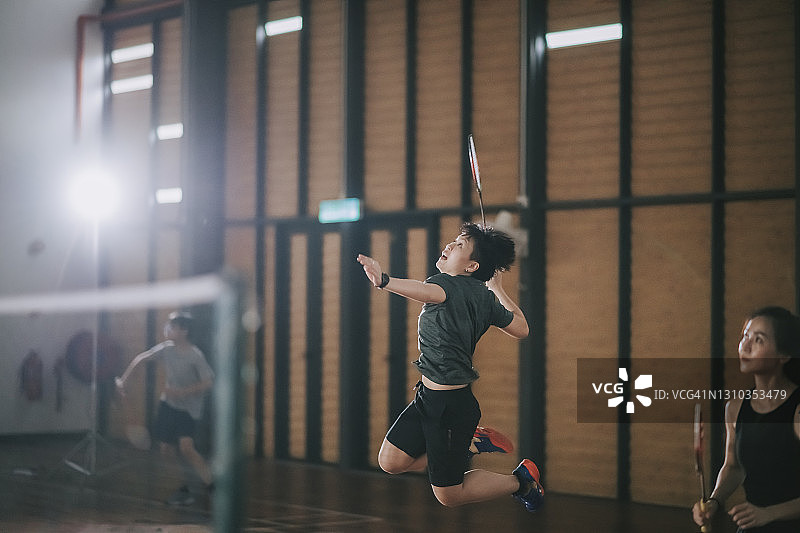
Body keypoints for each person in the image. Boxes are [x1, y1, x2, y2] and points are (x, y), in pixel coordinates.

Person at [357, 222, 543, 512]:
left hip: (451, 409)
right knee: (391, 462)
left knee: (449, 495)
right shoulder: (485, 298)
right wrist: (498, 289)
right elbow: (521, 327)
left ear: (472, 266)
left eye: (460, 245)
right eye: (455, 241)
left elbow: (424, 291)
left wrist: (384, 280)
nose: (449, 245)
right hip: (427, 398)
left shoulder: (445, 286)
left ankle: (520, 481)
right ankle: (470, 444)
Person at [692, 306, 800, 532]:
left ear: (784, 355)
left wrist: (770, 513)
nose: (745, 345)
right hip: (753, 526)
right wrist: (714, 501)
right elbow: (733, 467)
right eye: (745, 336)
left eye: (758, 340)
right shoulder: (735, 408)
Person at [115, 311, 215, 506]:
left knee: (186, 448)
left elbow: (208, 382)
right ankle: (186, 487)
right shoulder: (166, 349)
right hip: (168, 405)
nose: (168, 330)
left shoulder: (195, 356)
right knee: (166, 450)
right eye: (168, 326)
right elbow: (142, 358)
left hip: (189, 409)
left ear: (184, 331)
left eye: (173, 327)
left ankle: (213, 486)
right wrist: (124, 380)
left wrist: (183, 392)